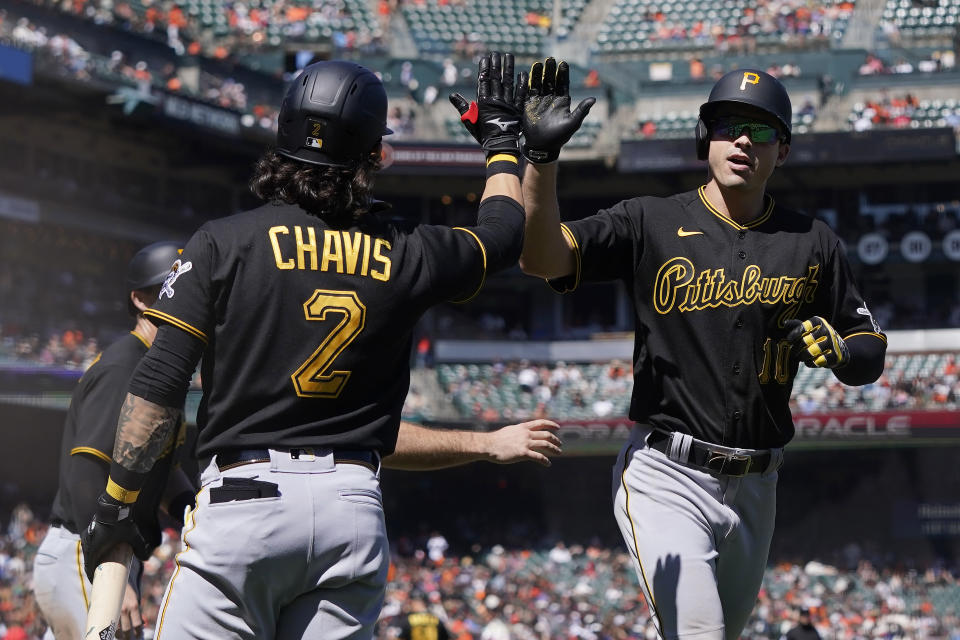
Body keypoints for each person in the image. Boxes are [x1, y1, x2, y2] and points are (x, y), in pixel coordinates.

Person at [79, 54, 560, 639]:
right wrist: (504, 146)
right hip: (350, 508)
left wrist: (121, 504)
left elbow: (158, 389)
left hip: (243, 502)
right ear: (375, 154)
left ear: (281, 137)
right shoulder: (408, 250)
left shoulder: (221, 243)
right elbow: (504, 235)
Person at [518, 62, 887, 640]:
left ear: (782, 151)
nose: (743, 140)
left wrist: (841, 350)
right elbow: (542, 259)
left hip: (758, 485)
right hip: (667, 472)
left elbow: (869, 347)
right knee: (699, 632)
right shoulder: (649, 220)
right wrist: (539, 163)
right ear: (704, 137)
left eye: (762, 130)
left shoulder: (812, 240)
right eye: (728, 124)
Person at [33, 241, 196, 640]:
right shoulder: (128, 363)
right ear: (140, 300)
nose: (181, 301)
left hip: (101, 551)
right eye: (167, 290)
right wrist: (110, 573)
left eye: (187, 292)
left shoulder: (157, 368)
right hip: (88, 550)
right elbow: (89, 466)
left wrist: (194, 511)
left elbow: (163, 470)